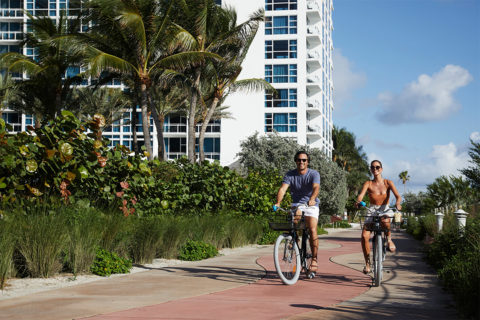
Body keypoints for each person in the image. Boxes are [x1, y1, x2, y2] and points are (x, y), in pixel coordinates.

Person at [274, 151, 320, 273]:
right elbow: (283, 189)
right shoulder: (290, 174)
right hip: (297, 204)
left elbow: (316, 188)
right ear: (296, 161)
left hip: (311, 204)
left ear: (307, 162)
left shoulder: (313, 174)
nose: (301, 162)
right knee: (294, 219)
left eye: (304, 160)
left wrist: (312, 199)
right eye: (299, 160)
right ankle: (295, 238)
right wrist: (278, 202)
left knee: (312, 229)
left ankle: (314, 260)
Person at [356, 160, 402, 274]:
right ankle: (367, 264)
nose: (375, 169)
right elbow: (361, 195)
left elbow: (398, 196)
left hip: (385, 208)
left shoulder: (388, 182)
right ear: (371, 169)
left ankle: (389, 240)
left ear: (381, 169)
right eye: (372, 167)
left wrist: (398, 203)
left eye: (377, 167)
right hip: (372, 209)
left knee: (385, 219)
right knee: (364, 236)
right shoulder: (368, 183)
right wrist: (358, 201)